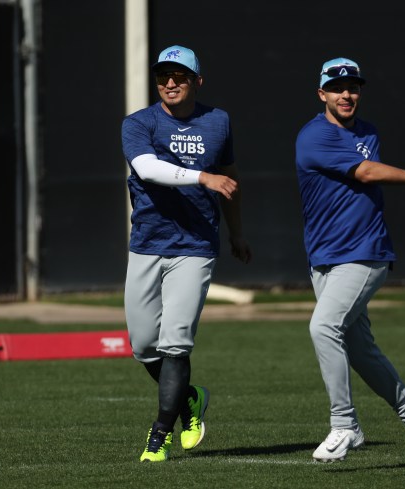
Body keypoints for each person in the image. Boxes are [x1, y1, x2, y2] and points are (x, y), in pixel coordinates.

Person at [295, 57, 405, 467]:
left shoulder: (368, 132)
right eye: (337, 87)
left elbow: (365, 172)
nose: (346, 94)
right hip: (325, 258)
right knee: (359, 349)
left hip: (365, 252)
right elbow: (364, 172)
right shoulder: (312, 137)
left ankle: (344, 423)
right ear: (322, 93)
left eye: (353, 87)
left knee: (323, 326)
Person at [121, 44, 251, 463]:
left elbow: (228, 180)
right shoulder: (138, 123)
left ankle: (159, 436)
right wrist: (202, 177)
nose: (170, 83)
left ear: (198, 80)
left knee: (175, 342)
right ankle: (190, 398)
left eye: (179, 75)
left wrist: (236, 233)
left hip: (195, 246)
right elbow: (147, 168)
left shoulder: (218, 121)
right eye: (163, 76)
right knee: (144, 347)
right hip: (147, 243)